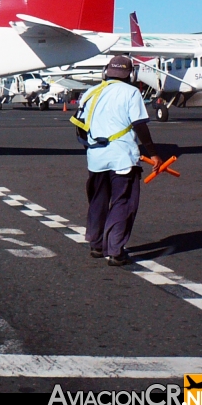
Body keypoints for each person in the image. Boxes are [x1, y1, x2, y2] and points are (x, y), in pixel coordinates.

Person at [72, 55, 162, 266]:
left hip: (96, 156)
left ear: (107, 71)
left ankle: (96, 244)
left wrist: (91, 146)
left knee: (98, 200)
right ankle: (115, 250)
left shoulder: (90, 92)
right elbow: (140, 124)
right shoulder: (131, 92)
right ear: (130, 74)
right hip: (122, 157)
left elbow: (78, 126)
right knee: (123, 201)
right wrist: (153, 152)